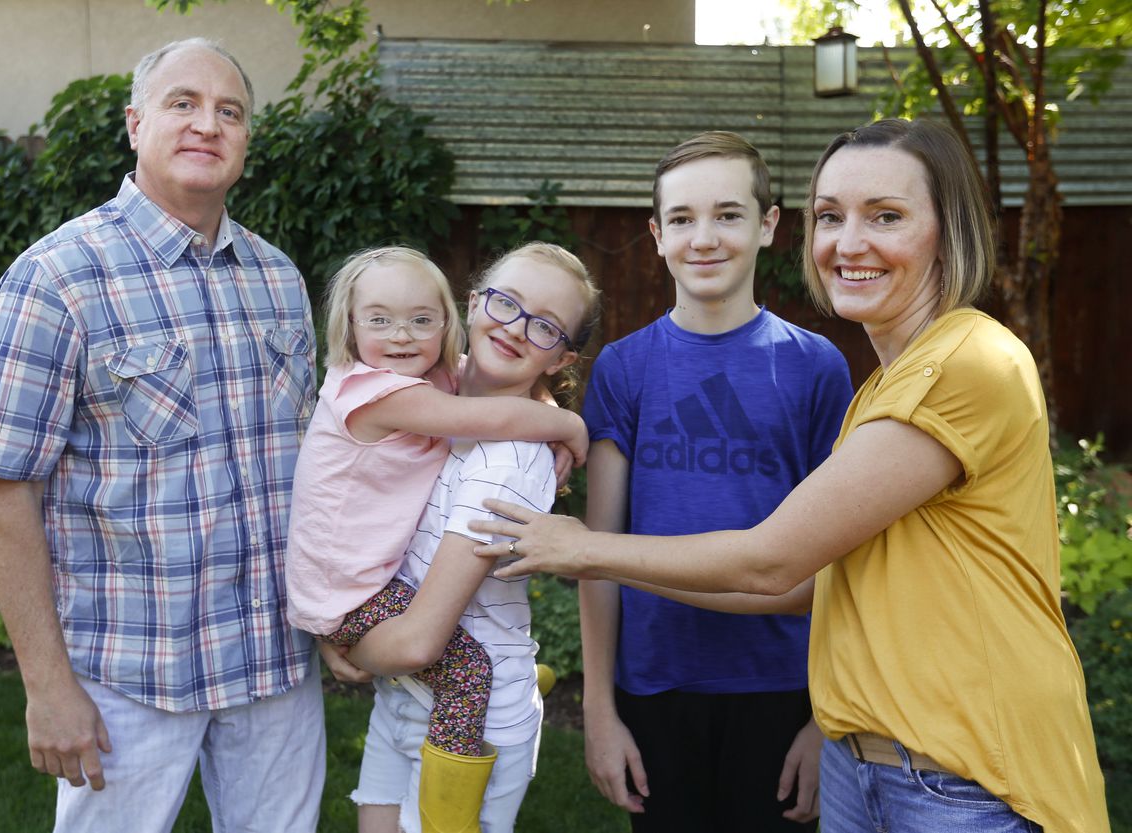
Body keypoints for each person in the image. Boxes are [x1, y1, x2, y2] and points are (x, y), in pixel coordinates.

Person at [471, 118, 1111, 833]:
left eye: (887, 216)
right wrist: (603, 688)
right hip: (866, 761)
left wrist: (584, 547)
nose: (850, 241)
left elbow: (774, 561)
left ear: (948, 228)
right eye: (832, 217)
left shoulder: (964, 365)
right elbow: (810, 584)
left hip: (962, 781)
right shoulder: (885, 387)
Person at [0, 38, 327, 832]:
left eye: (230, 111)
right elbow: (3, 490)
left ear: (247, 139)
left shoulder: (279, 279)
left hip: (275, 666)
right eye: (182, 103)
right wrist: (47, 684)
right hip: (128, 677)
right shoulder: (55, 279)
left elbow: (309, 473)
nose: (207, 124)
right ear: (134, 123)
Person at [575, 131, 853, 832]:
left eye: (728, 215)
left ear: (768, 225)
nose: (704, 238)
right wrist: (600, 712)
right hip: (655, 684)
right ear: (657, 235)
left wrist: (824, 722)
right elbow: (599, 554)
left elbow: (843, 561)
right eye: (681, 219)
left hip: (781, 686)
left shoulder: (815, 366)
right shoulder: (624, 368)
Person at [284, 244, 588, 823]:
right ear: (473, 307)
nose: (402, 334)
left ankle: (456, 804)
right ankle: (515, 678)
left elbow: (420, 644)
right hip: (371, 629)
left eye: (544, 326)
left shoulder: (483, 434)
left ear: (446, 320)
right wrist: (569, 422)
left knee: (469, 668)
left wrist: (344, 638)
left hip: (398, 644)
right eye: (507, 304)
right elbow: (492, 409)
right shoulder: (396, 390)